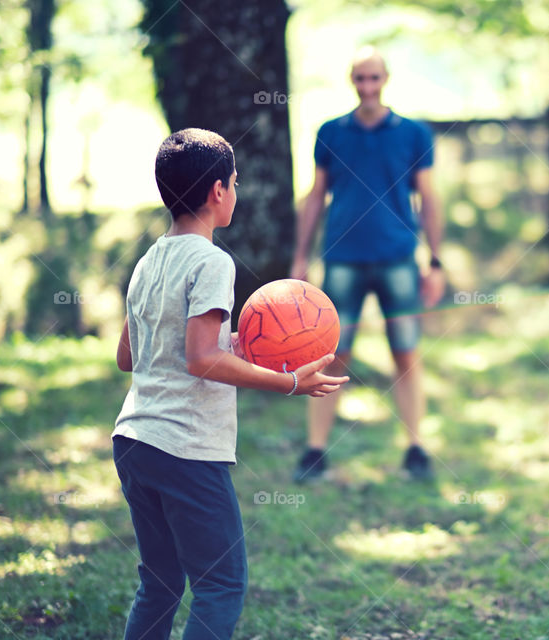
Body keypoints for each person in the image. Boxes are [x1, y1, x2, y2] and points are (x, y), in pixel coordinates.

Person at [113, 128, 348, 640]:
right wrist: (286, 382)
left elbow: (129, 356)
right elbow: (200, 359)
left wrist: (229, 342)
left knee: (159, 584)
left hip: (133, 440)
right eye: (235, 183)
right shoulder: (212, 261)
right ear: (218, 191)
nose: (235, 194)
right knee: (221, 584)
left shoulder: (148, 262)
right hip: (185, 448)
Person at [290, 47, 445, 483]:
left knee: (407, 353)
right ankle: (315, 451)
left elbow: (430, 198)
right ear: (352, 81)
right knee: (331, 354)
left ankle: (416, 449)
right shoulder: (331, 133)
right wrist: (300, 257)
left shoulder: (414, 133)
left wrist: (435, 261)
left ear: (386, 79)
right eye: (361, 78)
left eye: (374, 78)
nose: (368, 86)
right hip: (342, 258)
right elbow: (315, 196)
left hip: (398, 258)